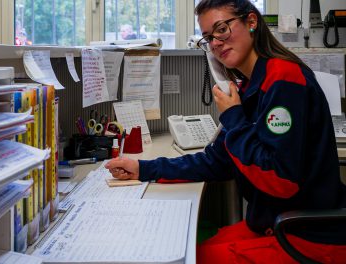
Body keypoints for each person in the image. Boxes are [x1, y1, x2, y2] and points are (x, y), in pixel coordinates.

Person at [105, 0, 346, 262]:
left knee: (192, 258)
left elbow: (280, 180)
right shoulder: (252, 86)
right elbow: (216, 161)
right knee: (189, 250)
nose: (216, 42)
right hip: (273, 224)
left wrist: (234, 116)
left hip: (308, 235)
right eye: (208, 37)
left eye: (221, 29)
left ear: (251, 22)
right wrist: (145, 169)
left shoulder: (283, 79)